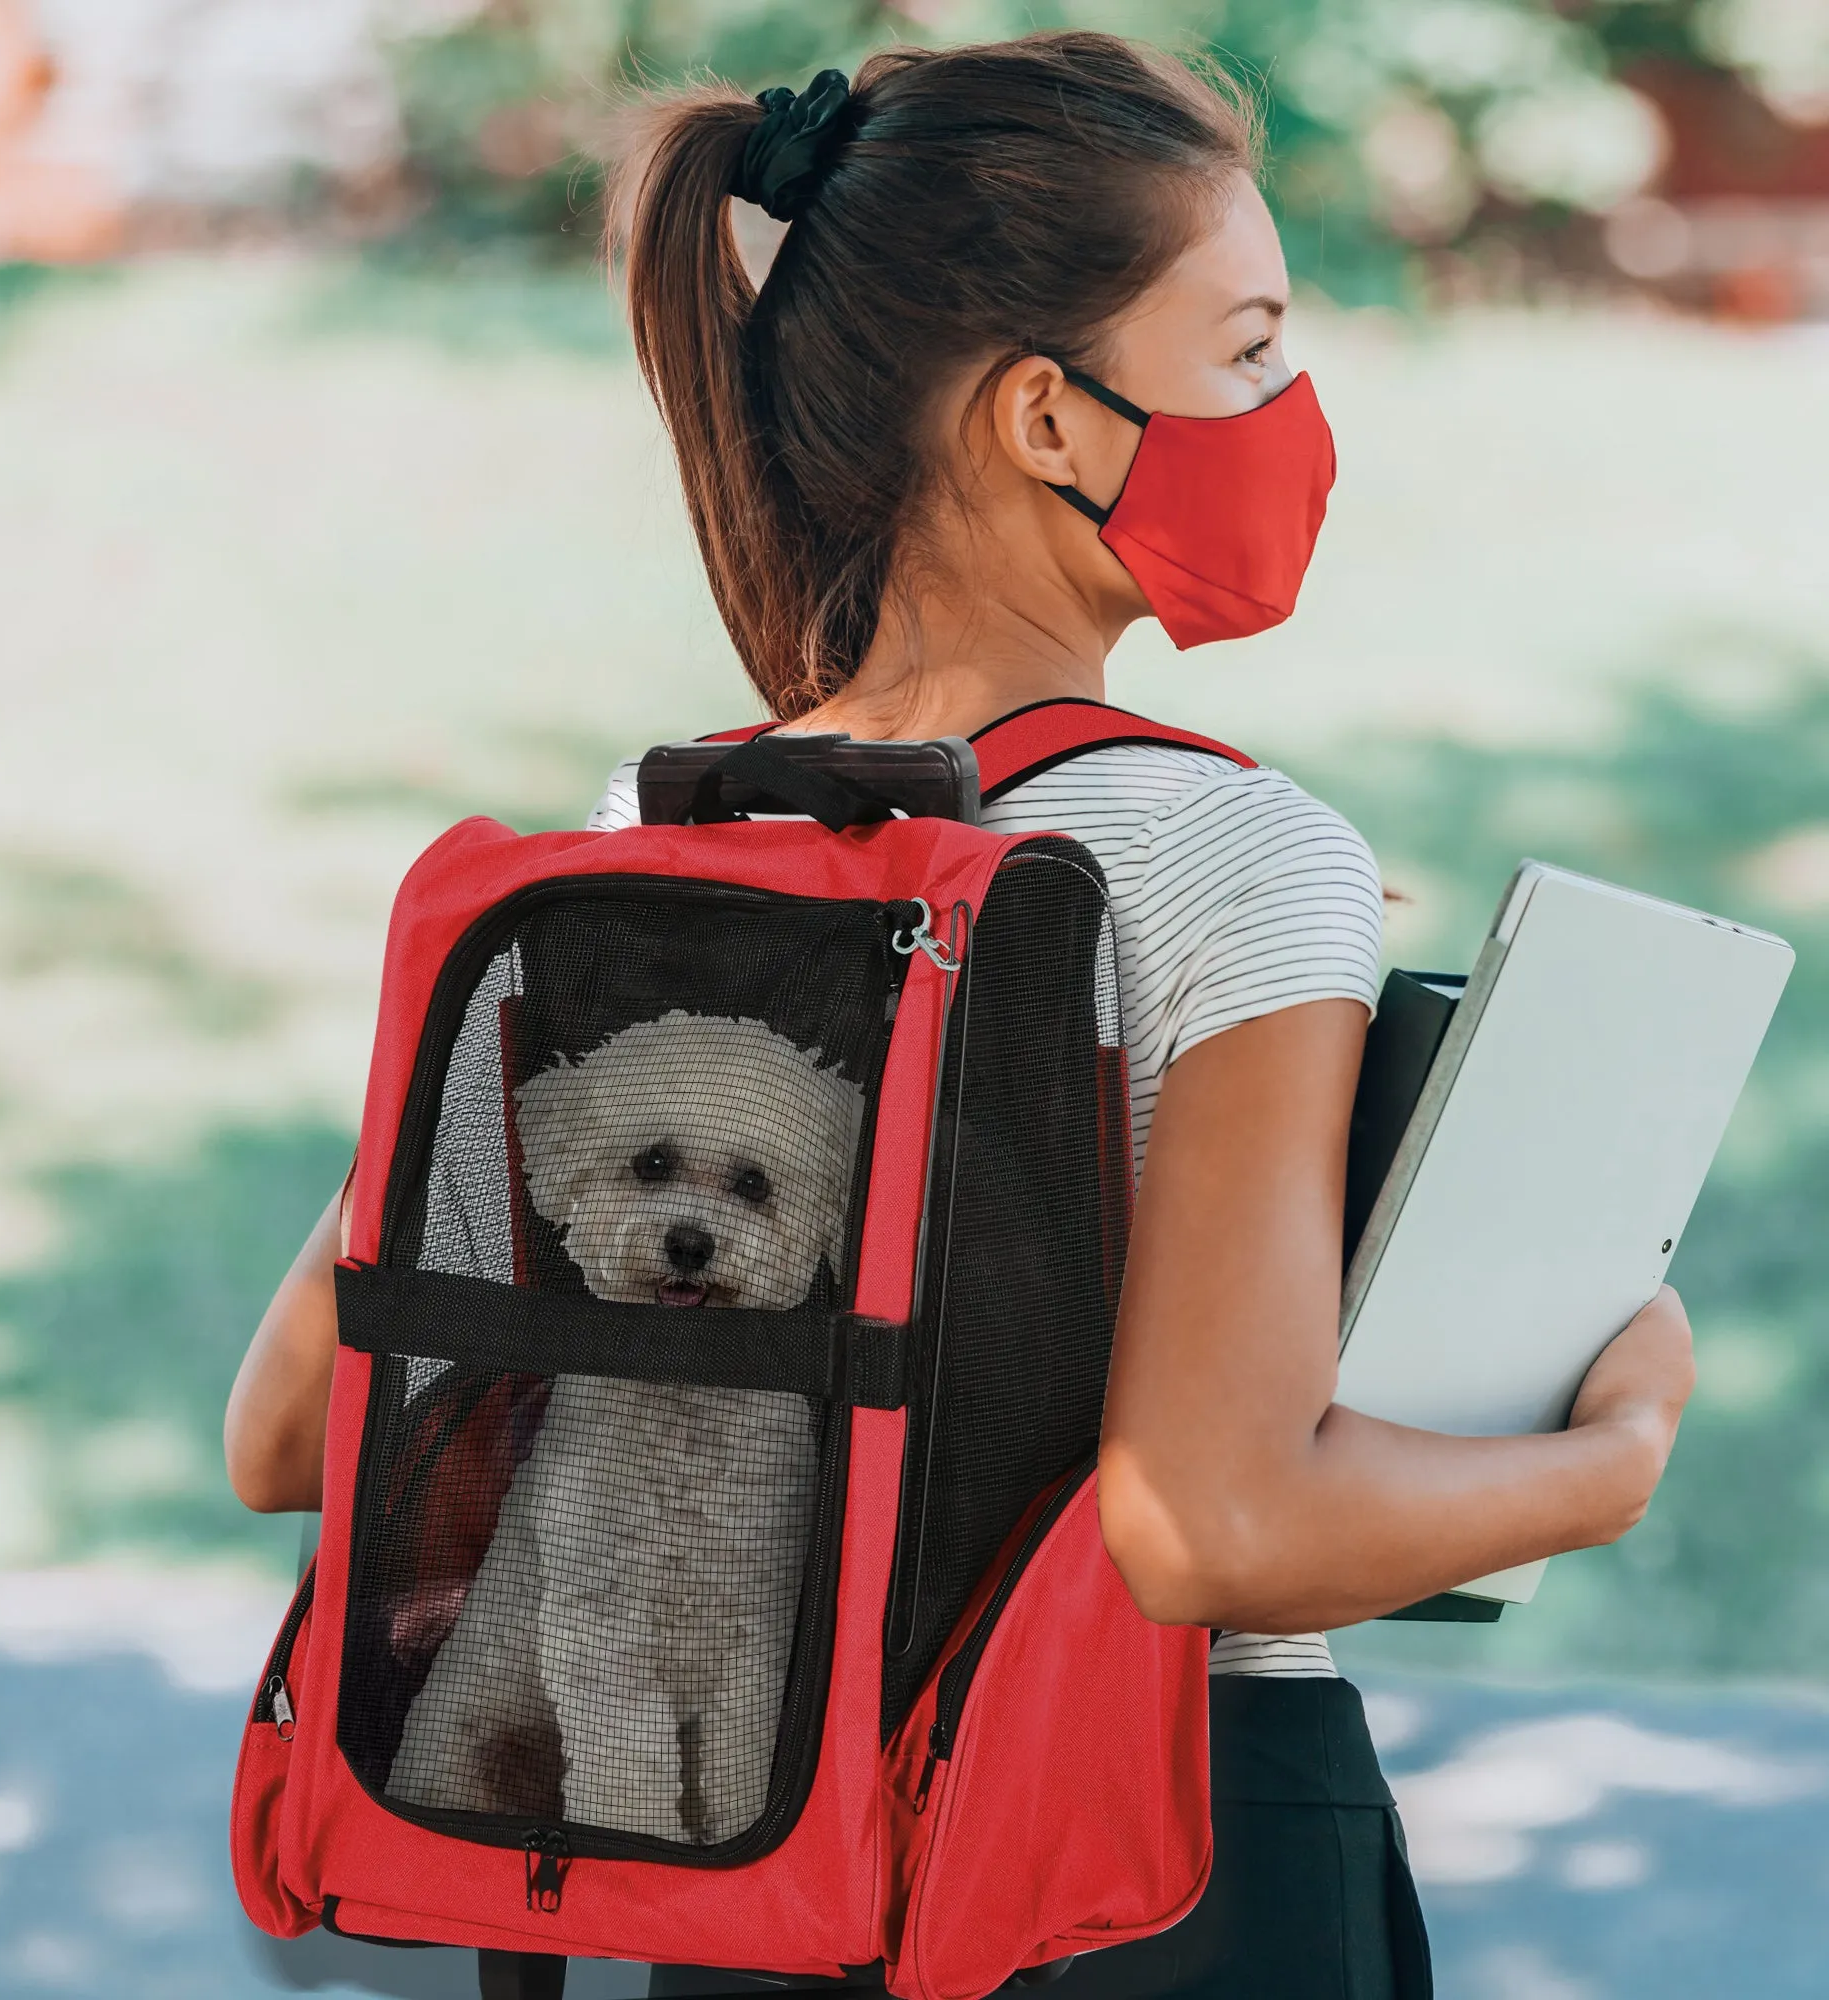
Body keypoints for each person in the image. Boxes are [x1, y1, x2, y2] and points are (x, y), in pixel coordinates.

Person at [226, 31, 1696, 1999]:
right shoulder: (1234, 854)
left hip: (752, 1847)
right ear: (1044, 419)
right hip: (1147, 1854)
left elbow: (285, 1431)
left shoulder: (640, 838)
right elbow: (1212, 1524)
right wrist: (1609, 1449)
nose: (1294, 406)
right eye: (1248, 345)